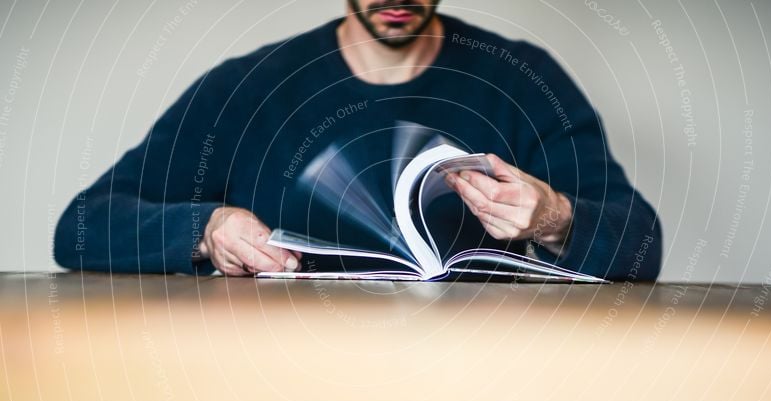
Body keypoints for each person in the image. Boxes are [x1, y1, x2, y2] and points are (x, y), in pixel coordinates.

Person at [54, 0, 662, 280]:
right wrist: (204, 230)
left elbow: (643, 243)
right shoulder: (250, 87)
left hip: (482, 383)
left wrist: (554, 216)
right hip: (274, 387)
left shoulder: (523, 80)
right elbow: (81, 225)